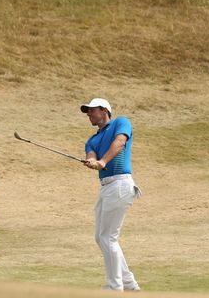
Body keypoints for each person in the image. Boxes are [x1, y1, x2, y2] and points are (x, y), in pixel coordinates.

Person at [81, 98, 141, 291]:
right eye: (87, 111)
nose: (89, 114)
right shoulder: (92, 139)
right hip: (106, 187)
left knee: (108, 237)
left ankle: (115, 287)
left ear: (104, 110)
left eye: (92, 110)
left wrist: (103, 161)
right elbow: (91, 154)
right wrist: (92, 161)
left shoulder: (120, 122)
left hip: (121, 183)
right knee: (102, 237)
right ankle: (129, 284)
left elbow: (120, 143)